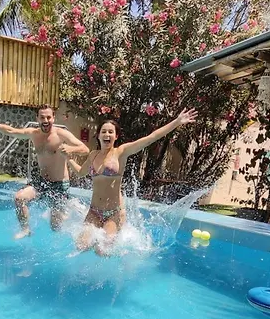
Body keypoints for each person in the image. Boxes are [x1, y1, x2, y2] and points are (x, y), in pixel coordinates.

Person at [67, 108, 198, 256]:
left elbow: (151, 137)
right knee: (81, 246)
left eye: (111, 132)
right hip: (94, 211)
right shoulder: (93, 155)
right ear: (98, 135)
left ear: (116, 136)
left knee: (101, 251)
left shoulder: (121, 152)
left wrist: (177, 122)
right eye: (104, 131)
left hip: (113, 213)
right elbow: (80, 172)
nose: (107, 134)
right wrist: (68, 158)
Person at [0, 105, 90, 239]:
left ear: (53, 118)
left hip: (60, 185)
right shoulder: (33, 134)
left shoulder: (61, 134)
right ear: (37, 118)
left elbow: (85, 149)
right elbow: (11, 131)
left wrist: (71, 149)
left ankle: (66, 211)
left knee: (55, 227)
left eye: (48, 117)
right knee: (19, 198)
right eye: (42, 117)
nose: (45, 120)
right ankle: (26, 229)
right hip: (41, 182)